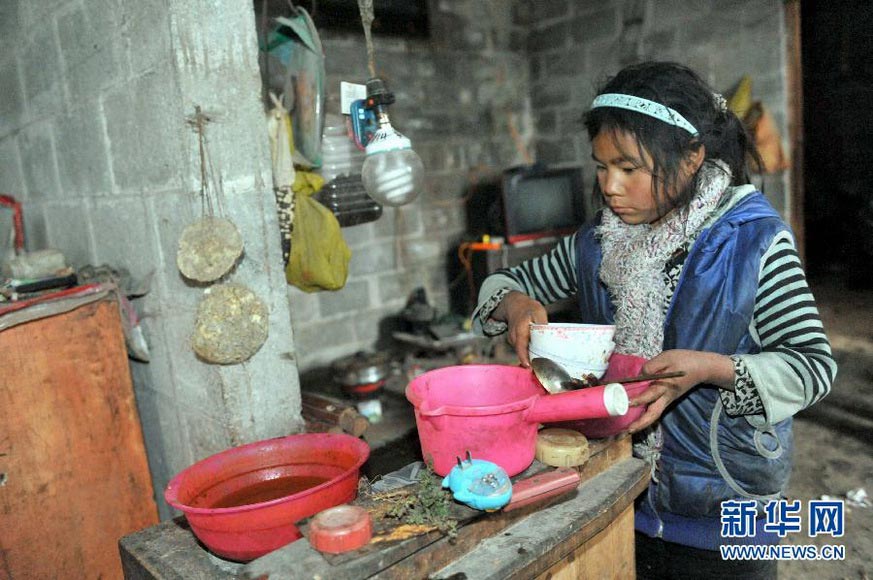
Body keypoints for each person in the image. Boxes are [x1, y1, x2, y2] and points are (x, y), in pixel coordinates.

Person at [473, 61, 836, 579]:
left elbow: (814, 368)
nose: (610, 188)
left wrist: (712, 369)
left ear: (691, 159)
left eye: (628, 167)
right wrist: (515, 306)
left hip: (729, 514)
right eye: (601, 167)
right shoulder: (599, 241)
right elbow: (500, 288)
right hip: (622, 494)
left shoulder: (753, 243)